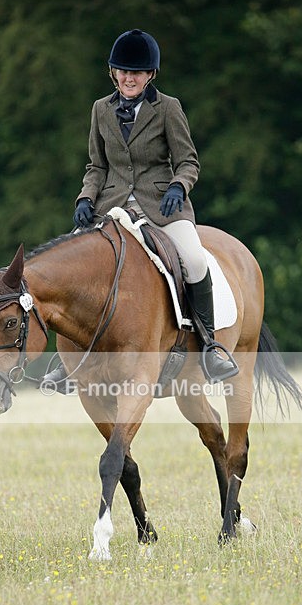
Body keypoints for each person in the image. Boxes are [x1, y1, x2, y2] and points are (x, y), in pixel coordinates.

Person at [45, 28, 235, 389]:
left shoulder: (168, 108)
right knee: (70, 266)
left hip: (161, 206)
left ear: (150, 75)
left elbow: (188, 161)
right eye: (123, 71)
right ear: (113, 73)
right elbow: (96, 166)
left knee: (194, 260)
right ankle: (68, 356)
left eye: (137, 72)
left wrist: (179, 187)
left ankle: (210, 347)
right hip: (111, 207)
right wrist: (85, 198)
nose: (129, 78)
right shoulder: (100, 109)